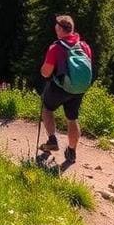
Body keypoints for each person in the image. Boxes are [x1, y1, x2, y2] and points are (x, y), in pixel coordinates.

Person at [39, 14, 93, 165]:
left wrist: (43, 70)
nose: (55, 28)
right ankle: (71, 151)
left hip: (60, 88)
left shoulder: (56, 47)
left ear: (60, 29)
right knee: (72, 119)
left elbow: (46, 73)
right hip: (79, 89)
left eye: (56, 26)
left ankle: (52, 140)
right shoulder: (84, 46)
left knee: (47, 108)